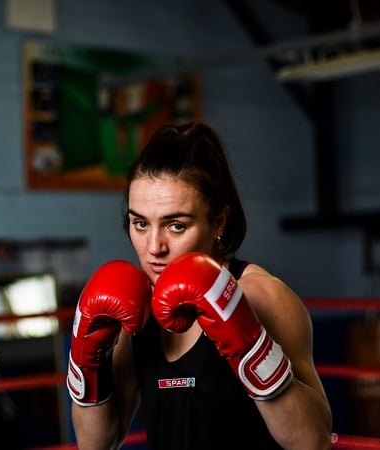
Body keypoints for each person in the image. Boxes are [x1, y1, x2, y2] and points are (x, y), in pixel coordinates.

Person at [67, 121, 332, 449]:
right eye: (140, 223)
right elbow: (96, 443)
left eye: (175, 225)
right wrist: (85, 363)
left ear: (218, 221)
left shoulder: (263, 297)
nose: (154, 247)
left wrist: (251, 347)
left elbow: (313, 441)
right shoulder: (132, 310)